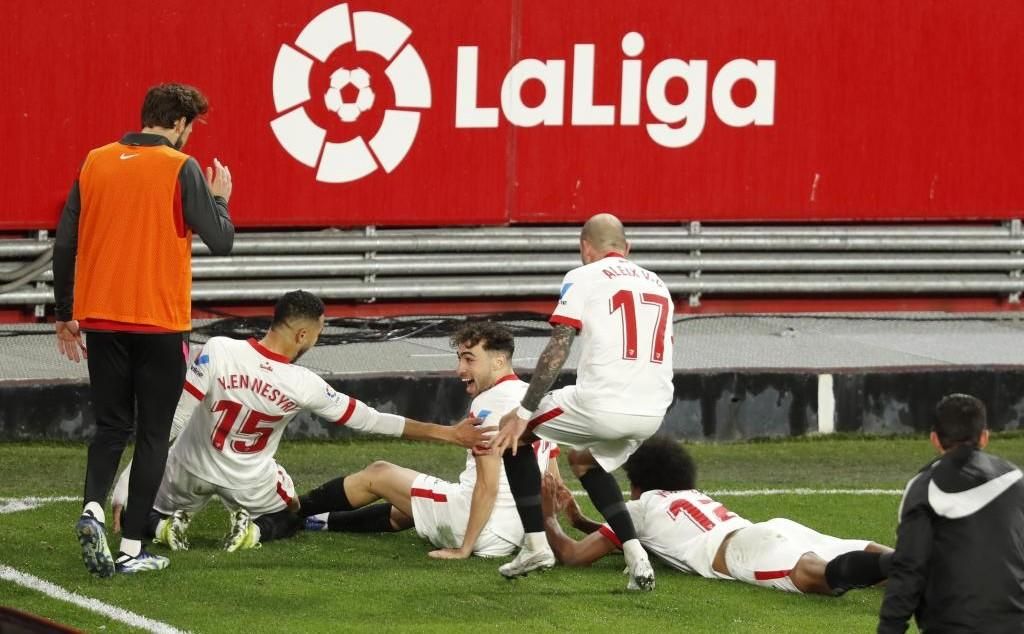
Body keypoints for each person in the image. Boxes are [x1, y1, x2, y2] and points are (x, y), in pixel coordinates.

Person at [110, 291, 490, 555]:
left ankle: (160, 527)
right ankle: (253, 532)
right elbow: (370, 420)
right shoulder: (304, 384)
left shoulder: (217, 350)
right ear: (303, 334)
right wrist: (447, 433)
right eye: (319, 332)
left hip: (188, 467)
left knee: (134, 511)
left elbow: (172, 422)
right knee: (290, 514)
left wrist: (126, 486)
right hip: (248, 480)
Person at [52, 82, 235, 577]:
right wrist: (220, 200)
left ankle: (92, 507)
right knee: (153, 434)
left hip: (101, 320)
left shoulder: (95, 161)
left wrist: (65, 312)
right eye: (191, 127)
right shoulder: (181, 168)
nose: (190, 137)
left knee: (111, 427)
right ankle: (132, 547)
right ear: (178, 123)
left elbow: (65, 241)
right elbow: (220, 241)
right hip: (159, 322)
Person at [491, 213, 673, 590]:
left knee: (511, 431)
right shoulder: (659, 284)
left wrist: (524, 412)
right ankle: (636, 555)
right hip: (654, 410)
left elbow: (558, 347)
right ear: (628, 248)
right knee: (583, 460)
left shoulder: (583, 275)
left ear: (585, 248)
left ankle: (536, 544)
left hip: (602, 403)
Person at [300, 321, 559, 559]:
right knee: (411, 506)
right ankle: (318, 521)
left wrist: (464, 548)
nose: (460, 370)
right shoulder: (536, 399)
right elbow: (553, 481)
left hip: (476, 527)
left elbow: (486, 486)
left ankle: (291, 511)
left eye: (469, 360)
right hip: (516, 531)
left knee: (379, 473)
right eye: (459, 359)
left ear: (499, 362)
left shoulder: (489, 402)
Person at [542, 436, 893, 596]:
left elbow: (574, 557)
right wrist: (580, 520)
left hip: (744, 550)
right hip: (770, 530)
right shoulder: (692, 496)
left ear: (637, 484)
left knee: (817, 576)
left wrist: (548, 519)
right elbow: (635, 540)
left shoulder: (641, 507)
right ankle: (925, 567)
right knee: (867, 551)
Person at [878, 394, 1024, 633]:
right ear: (985, 437)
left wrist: (889, 628)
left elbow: (909, 569)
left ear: (935, 439)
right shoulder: (1017, 480)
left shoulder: (924, 488)